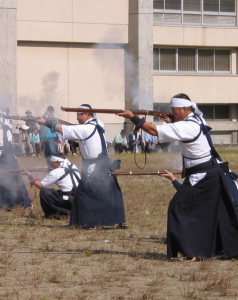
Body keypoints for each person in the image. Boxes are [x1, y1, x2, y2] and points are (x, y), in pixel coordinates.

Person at [117, 93, 238, 260]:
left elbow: (153, 130)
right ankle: (215, 250)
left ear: (184, 109)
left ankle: (188, 252)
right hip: (208, 172)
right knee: (212, 213)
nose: (172, 113)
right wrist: (172, 121)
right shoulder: (197, 119)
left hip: (202, 175)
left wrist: (134, 118)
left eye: (174, 110)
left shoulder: (187, 126)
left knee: (178, 208)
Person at [36, 104, 126, 228]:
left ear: (86, 115)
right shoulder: (98, 124)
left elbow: (64, 130)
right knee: (109, 193)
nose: (77, 118)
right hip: (103, 164)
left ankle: (85, 222)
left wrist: (46, 122)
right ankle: (112, 220)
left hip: (95, 167)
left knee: (83, 196)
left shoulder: (87, 128)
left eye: (79, 115)